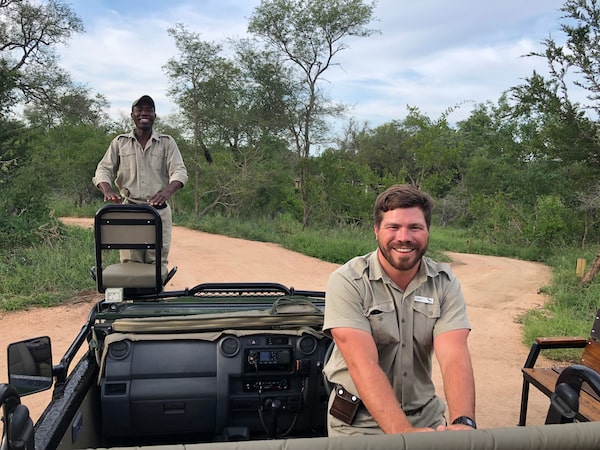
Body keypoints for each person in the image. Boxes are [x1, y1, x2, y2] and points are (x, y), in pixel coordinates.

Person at [323, 184, 476, 436]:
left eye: (415, 227)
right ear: (376, 230)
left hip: (426, 416)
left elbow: (454, 355)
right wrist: (403, 434)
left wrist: (463, 422)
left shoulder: (444, 283)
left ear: (427, 231)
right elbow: (362, 363)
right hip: (359, 421)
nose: (404, 237)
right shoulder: (348, 281)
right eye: (393, 227)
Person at [92, 95, 188, 280]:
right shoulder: (120, 142)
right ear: (132, 115)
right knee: (130, 263)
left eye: (149, 110)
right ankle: (132, 298)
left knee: (157, 263)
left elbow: (180, 171)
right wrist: (107, 190)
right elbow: (103, 169)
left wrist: (166, 193)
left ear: (154, 115)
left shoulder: (167, 142)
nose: (144, 113)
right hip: (130, 210)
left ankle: (156, 298)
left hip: (158, 211)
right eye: (140, 109)